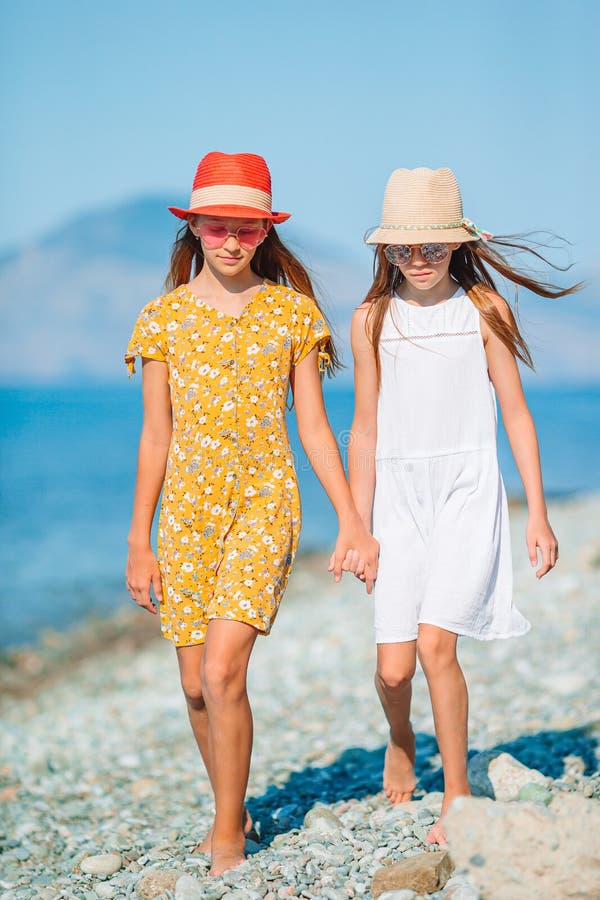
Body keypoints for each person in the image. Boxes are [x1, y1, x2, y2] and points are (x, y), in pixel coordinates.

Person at [124, 151, 379, 875]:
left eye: (247, 228)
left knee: (225, 669)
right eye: (218, 227)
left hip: (266, 505)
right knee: (194, 683)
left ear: (266, 233)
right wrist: (138, 541)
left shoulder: (294, 316)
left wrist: (353, 521)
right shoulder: (162, 320)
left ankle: (229, 837)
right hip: (185, 515)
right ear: (194, 228)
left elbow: (316, 430)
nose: (231, 241)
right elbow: (155, 436)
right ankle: (228, 807)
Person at [348, 166, 580, 843]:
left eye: (432, 247)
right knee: (393, 668)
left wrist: (536, 511)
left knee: (435, 645)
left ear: (458, 245)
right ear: (385, 251)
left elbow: (515, 411)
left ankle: (455, 796)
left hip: (468, 490)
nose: (417, 261)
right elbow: (364, 427)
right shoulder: (370, 318)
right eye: (402, 249)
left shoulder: (484, 310)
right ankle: (400, 738)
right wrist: (357, 527)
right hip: (396, 494)